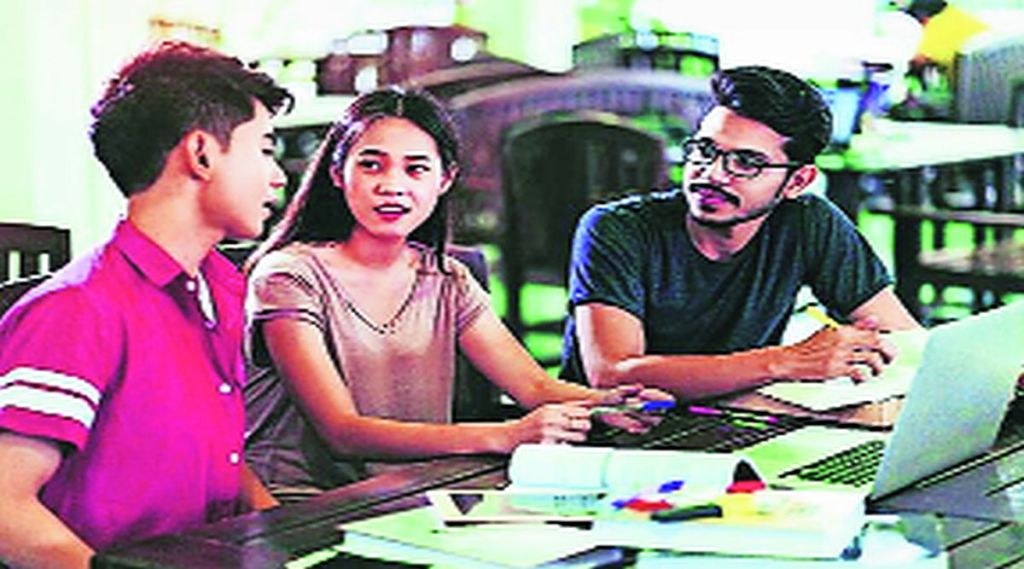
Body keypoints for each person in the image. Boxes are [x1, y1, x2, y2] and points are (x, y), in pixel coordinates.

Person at [243, 87, 670, 502]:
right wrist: (505, 435)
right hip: (305, 507)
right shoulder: (289, 276)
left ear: (445, 180)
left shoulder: (447, 278)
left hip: (418, 496)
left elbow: (533, 385)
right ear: (338, 173)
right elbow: (342, 432)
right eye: (372, 166)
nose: (392, 185)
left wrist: (610, 403)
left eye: (416, 169)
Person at [0, 41, 292, 568]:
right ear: (201, 154)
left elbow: (220, 457)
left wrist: (289, 540)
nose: (279, 176)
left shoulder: (221, 288)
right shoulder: (79, 309)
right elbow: (5, 508)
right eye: (265, 149)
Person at [560, 65, 921, 400]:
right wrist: (787, 361)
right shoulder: (617, 229)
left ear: (797, 182)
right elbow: (613, 374)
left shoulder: (808, 223)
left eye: (746, 163)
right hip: (613, 431)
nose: (713, 173)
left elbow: (904, 340)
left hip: (740, 417)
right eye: (705, 150)